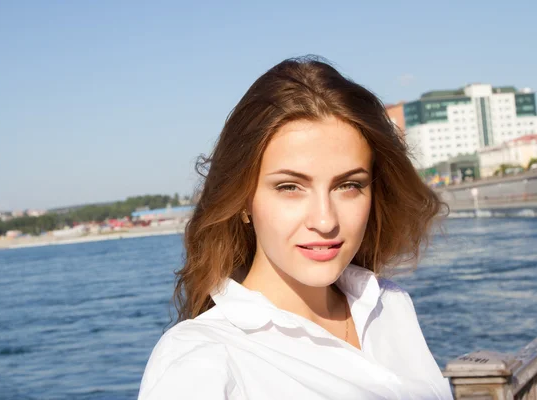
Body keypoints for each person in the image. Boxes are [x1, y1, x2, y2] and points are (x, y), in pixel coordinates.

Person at [138, 56, 453, 400]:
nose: (325, 221)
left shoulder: (390, 305)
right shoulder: (202, 360)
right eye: (290, 187)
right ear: (242, 199)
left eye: (348, 185)